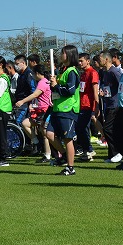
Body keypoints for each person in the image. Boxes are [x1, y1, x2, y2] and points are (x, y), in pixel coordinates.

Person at [46, 45, 80, 175]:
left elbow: (70, 91)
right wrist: (54, 83)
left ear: (70, 55)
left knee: (68, 138)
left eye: (63, 53)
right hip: (57, 108)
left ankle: (70, 168)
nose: (61, 55)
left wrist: (57, 86)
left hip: (68, 109)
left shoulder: (72, 71)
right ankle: (65, 156)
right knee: (49, 133)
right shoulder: (63, 70)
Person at [16, 65, 52, 160]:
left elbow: (35, 94)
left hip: (44, 111)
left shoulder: (42, 82)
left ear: (36, 73)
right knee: (25, 124)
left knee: (44, 133)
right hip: (38, 111)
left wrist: (22, 101)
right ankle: (36, 143)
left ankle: (47, 154)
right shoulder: (43, 82)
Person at [75, 53, 100, 161]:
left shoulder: (92, 73)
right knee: (81, 128)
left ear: (88, 61)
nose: (79, 63)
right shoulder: (83, 73)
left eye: (81, 61)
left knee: (81, 127)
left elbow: (95, 91)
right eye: (79, 61)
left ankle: (89, 149)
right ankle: (87, 152)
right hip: (82, 104)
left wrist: (96, 106)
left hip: (88, 105)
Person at [99, 49, 122, 163]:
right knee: (108, 129)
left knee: (108, 128)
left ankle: (118, 152)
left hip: (115, 104)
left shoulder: (114, 72)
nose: (99, 61)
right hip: (108, 103)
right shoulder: (105, 72)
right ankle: (111, 154)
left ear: (107, 59)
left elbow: (122, 85)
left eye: (100, 59)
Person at [13, 54, 35, 139]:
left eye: (17, 64)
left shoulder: (29, 74)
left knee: (19, 121)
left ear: (23, 63)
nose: (16, 66)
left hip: (25, 102)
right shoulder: (20, 75)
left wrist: (31, 103)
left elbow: (33, 90)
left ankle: (30, 142)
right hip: (19, 102)